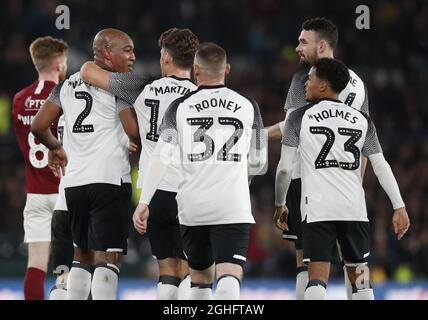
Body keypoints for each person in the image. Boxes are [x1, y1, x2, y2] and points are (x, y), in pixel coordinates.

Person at [133, 42, 267, 300]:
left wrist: (145, 201)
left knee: (199, 278)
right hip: (232, 203)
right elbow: (259, 161)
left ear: (196, 70)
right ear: (226, 68)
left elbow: (161, 156)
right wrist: (241, 178)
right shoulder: (248, 105)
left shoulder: (179, 107)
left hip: (192, 206)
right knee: (229, 273)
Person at [274, 57, 410, 300]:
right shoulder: (363, 120)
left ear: (323, 85)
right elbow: (380, 165)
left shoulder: (299, 118)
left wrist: (279, 203)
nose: (306, 83)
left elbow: (285, 169)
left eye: (311, 79)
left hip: (318, 209)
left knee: (316, 277)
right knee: (360, 277)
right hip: (354, 209)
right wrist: (399, 205)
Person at [80, 28, 199, 300]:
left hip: (154, 191)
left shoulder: (142, 86)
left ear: (167, 58)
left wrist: (138, 137)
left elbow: (88, 71)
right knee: (193, 272)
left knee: (167, 270)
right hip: (191, 188)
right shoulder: (201, 96)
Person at [31, 28, 140, 300]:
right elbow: (134, 132)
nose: (133, 57)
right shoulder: (117, 84)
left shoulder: (65, 85)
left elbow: (39, 125)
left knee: (81, 255)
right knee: (108, 257)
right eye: (126, 50)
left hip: (74, 185)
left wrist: (55, 147)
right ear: (106, 53)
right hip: (109, 179)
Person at [268, 17, 369, 300]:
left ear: (321, 45)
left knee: (308, 263)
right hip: (348, 190)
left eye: (303, 42)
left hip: (308, 182)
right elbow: (364, 142)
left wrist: (258, 136)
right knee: (358, 265)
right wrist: (356, 186)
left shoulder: (306, 80)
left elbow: (291, 126)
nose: (297, 48)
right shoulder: (359, 83)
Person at [11, 36, 68, 300]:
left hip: (35, 194)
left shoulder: (19, 99)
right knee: (68, 268)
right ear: (58, 66)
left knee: (35, 265)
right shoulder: (66, 98)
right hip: (65, 191)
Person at [48, 115, 74, 300]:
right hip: (86, 204)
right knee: (90, 272)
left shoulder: (61, 116)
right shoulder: (98, 107)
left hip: (61, 205)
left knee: (62, 279)